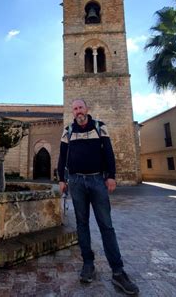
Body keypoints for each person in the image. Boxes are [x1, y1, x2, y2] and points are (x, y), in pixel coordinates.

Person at [57, 99, 139, 295]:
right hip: (76, 182)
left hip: (97, 182)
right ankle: (88, 264)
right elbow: (62, 157)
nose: (78, 111)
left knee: (106, 225)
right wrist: (61, 179)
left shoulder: (100, 127)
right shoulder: (68, 131)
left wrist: (111, 176)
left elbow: (109, 153)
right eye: (75, 109)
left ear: (87, 109)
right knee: (82, 224)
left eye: (81, 107)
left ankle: (118, 272)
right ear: (73, 112)